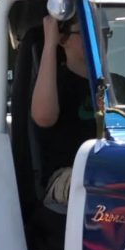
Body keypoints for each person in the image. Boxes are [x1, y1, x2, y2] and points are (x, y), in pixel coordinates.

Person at [31, 15, 96, 212]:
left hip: (110, 169)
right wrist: (50, 43)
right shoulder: (53, 84)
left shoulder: (120, 86)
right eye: (86, 32)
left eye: (104, 32)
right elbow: (43, 116)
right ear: (63, 38)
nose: (98, 39)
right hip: (64, 177)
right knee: (96, 181)